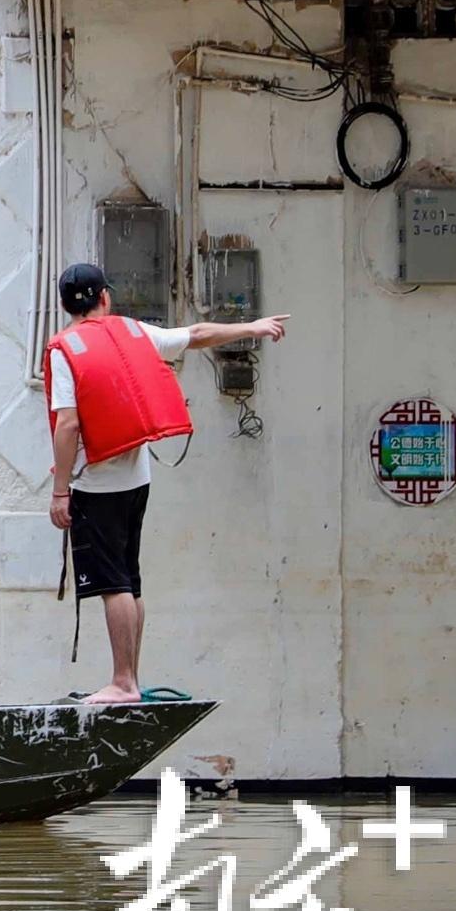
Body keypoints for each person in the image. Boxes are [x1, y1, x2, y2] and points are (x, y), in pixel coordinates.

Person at [46, 260, 288, 703]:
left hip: (95, 484)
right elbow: (196, 335)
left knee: (112, 582)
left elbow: (67, 425)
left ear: (65, 306)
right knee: (130, 580)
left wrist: (60, 491)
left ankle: (122, 682)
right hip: (137, 481)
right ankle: (131, 679)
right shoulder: (134, 332)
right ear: (105, 298)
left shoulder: (66, 349)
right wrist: (251, 325)